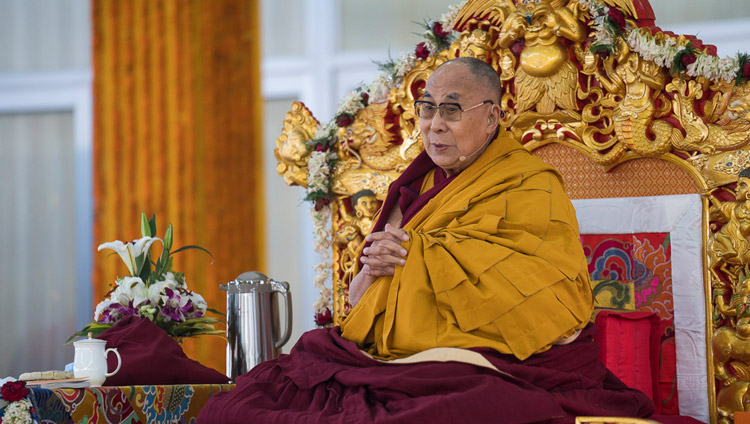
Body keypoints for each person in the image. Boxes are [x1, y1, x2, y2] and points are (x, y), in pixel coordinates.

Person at [197, 57, 654, 423]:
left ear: (492, 116)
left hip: (477, 359)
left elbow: (552, 304)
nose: (434, 124)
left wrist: (418, 255)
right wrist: (380, 266)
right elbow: (358, 302)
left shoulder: (532, 186)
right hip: (387, 354)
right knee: (238, 404)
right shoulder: (416, 187)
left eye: (452, 110)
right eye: (427, 107)